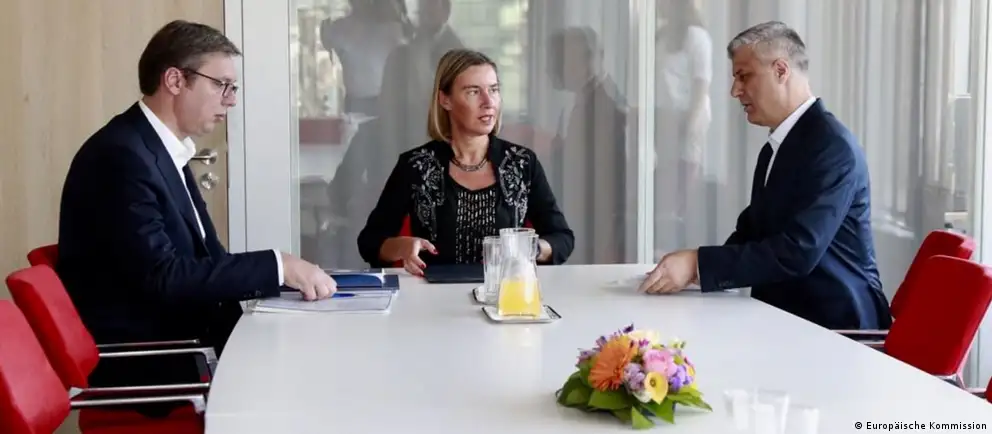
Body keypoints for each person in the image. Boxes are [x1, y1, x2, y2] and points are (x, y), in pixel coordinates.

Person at [57, 20, 337, 391]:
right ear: (175, 81)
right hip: (157, 362)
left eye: (233, 88)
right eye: (221, 85)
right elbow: (163, 277)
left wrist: (278, 278)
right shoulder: (120, 156)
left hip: (191, 340)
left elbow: (208, 259)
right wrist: (277, 266)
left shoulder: (159, 149)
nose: (231, 100)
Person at [637, 21, 892, 331]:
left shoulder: (832, 147)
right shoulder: (777, 147)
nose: (735, 91)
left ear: (781, 71)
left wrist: (697, 265)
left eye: (744, 76)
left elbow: (798, 251)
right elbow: (753, 232)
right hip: (787, 316)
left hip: (836, 326)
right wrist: (692, 270)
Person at [357, 49, 574, 275]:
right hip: (433, 294)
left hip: (505, 292)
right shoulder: (416, 165)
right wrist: (401, 247)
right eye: (473, 92)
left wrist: (530, 249)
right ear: (445, 100)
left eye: (494, 90)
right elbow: (370, 242)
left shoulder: (523, 163)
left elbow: (562, 238)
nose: (488, 102)